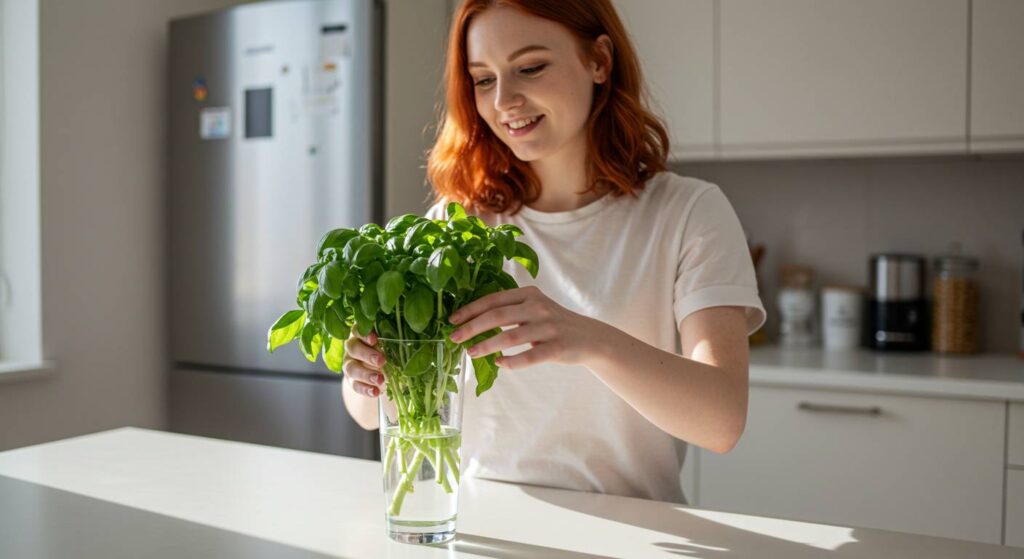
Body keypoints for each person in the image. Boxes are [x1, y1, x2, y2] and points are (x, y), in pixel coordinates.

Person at [341, 0, 765, 504]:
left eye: (530, 68)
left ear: (599, 61)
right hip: (485, 529)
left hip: (643, 536)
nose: (505, 101)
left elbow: (722, 421)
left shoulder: (688, 212)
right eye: (483, 79)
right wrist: (365, 371)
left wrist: (589, 339)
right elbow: (368, 414)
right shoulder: (459, 228)